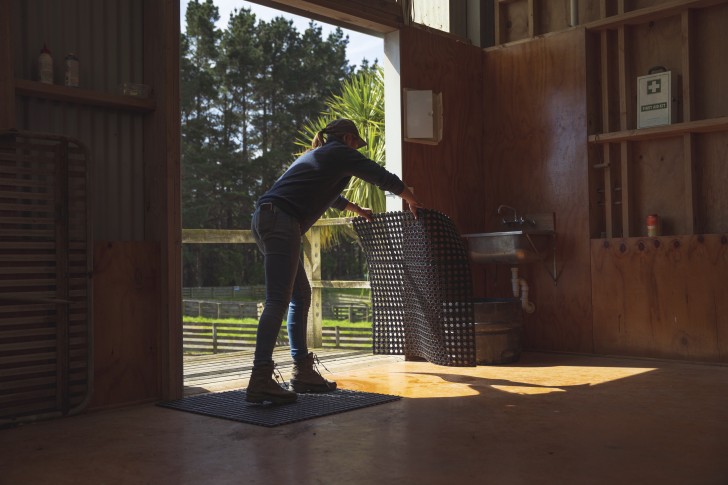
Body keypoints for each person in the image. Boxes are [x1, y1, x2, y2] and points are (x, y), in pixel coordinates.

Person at [246, 118, 423, 404]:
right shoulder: (339, 152)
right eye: (356, 143)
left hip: (268, 218)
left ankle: (302, 372)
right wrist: (409, 197)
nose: (357, 148)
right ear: (349, 139)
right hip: (280, 221)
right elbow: (379, 176)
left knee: (300, 295)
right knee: (278, 300)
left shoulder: (320, 156)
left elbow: (329, 196)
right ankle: (260, 378)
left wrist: (355, 208)